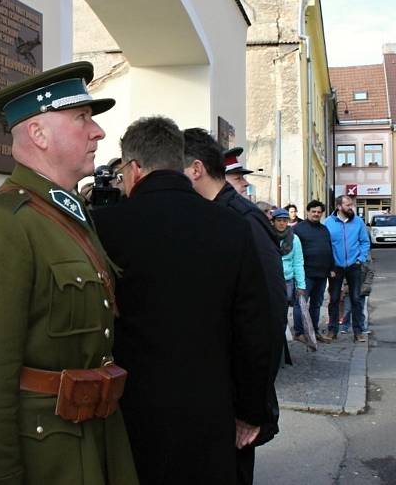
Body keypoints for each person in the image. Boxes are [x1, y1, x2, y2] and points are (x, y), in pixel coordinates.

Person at [0, 62, 139, 485]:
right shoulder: (4, 225)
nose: (97, 132)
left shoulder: (67, 216)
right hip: (40, 452)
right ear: (39, 134)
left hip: (85, 439)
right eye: (81, 118)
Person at [93, 117, 271, 485]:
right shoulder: (231, 227)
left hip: (129, 412)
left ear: (134, 167)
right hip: (209, 412)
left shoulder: (104, 227)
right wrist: (252, 412)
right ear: (180, 163)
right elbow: (254, 329)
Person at [183, 128, 286, 485]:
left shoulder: (241, 220)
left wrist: (251, 408)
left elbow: (269, 315)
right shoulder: (214, 214)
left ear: (195, 169)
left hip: (238, 396)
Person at [325, 195, 371, 342]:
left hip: (354, 266)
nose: (351, 207)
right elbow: (325, 245)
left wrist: (360, 260)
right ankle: (332, 330)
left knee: (356, 299)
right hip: (335, 267)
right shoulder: (328, 222)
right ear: (339, 206)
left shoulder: (358, 222)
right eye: (348, 205)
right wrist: (329, 264)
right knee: (334, 299)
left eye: (352, 205)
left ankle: (358, 332)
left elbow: (365, 242)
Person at [293, 200, 334, 343]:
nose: (316, 214)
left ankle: (314, 331)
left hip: (322, 275)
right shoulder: (298, 229)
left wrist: (331, 268)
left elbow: (329, 249)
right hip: (305, 275)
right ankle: (299, 333)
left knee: (316, 305)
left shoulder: (324, 229)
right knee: (301, 304)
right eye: (313, 211)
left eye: (319, 212)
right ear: (307, 212)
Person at [271, 209, 309, 345]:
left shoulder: (294, 238)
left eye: (284, 221)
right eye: (279, 220)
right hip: (270, 279)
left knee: (282, 311)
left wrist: (301, 285)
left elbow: (298, 263)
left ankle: (280, 340)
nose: (282, 223)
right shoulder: (267, 235)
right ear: (273, 221)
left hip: (287, 280)